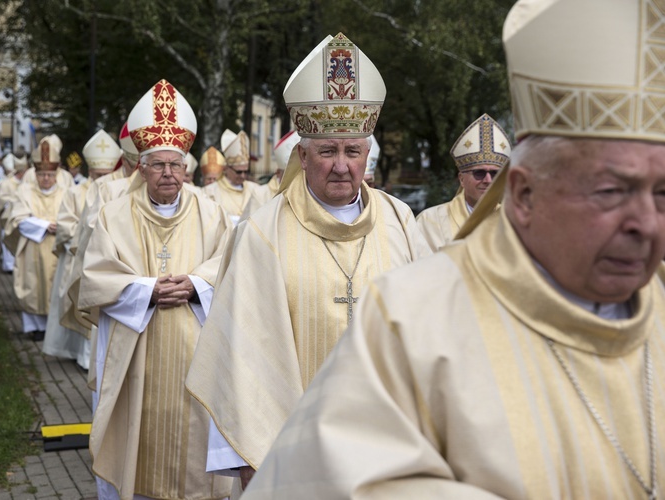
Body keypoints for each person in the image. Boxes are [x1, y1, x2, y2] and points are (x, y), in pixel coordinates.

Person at [242, 1, 665, 498]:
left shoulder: (396, 217)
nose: (645, 223)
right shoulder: (411, 319)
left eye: (662, 193)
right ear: (524, 194)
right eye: (611, 191)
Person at [185, 32, 420, 495]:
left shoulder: (399, 221)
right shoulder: (263, 231)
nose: (340, 166)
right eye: (327, 151)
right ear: (303, 154)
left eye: (352, 152)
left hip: (389, 441)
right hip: (292, 448)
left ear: (367, 156)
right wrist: (252, 453)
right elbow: (242, 350)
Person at [79, 79, 232, 500]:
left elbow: (231, 268)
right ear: (140, 167)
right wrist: (147, 291)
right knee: (139, 448)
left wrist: (197, 283)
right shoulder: (113, 216)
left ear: (188, 167)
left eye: (176, 165)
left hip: (197, 355)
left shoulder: (213, 214)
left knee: (194, 446)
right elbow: (95, 277)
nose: (169, 173)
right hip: (137, 357)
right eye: (159, 165)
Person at [42, 129, 119, 369]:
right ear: (89, 171)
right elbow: (65, 226)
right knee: (78, 303)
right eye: (97, 174)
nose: (101, 179)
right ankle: (78, 353)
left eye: (106, 174)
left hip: (105, 261)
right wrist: (87, 237)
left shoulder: (116, 191)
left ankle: (95, 358)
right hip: (78, 257)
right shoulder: (75, 192)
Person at [415, 113, 511, 255]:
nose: (488, 180)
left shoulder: (513, 222)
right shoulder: (430, 221)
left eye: (495, 174)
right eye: (479, 173)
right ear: (461, 179)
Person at [4, 140, 67, 341]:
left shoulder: (66, 193)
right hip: (32, 247)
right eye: (41, 175)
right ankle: (34, 328)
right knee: (32, 285)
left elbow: (75, 219)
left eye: (49, 175)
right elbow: (17, 220)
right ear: (35, 174)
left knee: (55, 286)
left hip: (58, 248)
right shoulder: (25, 191)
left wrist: (62, 227)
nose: (46, 178)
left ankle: (54, 329)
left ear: (56, 175)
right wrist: (44, 226)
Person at [202, 129, 261, 225]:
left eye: (246, 171)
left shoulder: (255, 190)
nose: (243, 176)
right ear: (226, 168)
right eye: (239, 172)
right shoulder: (210, 192)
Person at [240, 130, 300, 220]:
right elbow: (249, 230)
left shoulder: (306, 194)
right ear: (278, 172)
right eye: (289, 173)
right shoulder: (260, 195)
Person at [0, 154, 28, 272]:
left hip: (22, 219)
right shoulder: (6, 183)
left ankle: (19, 266)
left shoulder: (27, 184)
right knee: (7, 239)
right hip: (7, 217)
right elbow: (1, 198)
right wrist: (13, 202)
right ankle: (8, 265)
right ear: (20, 172)